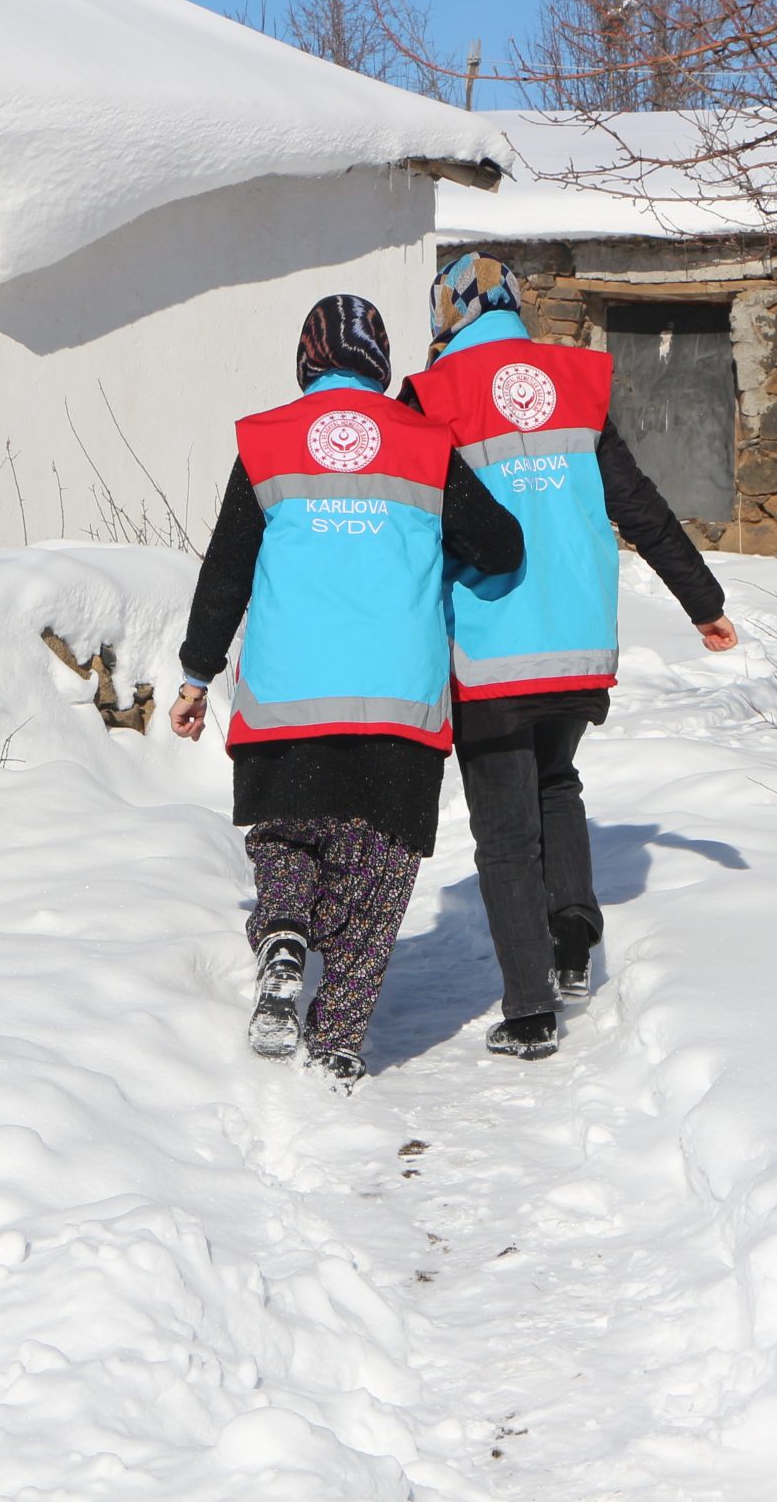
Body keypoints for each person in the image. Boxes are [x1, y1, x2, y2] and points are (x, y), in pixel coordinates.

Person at [170, 294, 522, 1089]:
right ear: (379, 359)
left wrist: (195, 676)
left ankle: (286, 933)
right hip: (398, 703)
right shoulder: (427, 444)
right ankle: (337, 1043)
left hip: (287, 702)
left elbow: (224, 573)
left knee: (289, 836)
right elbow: (500, 547)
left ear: (307, 359)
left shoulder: (265, 444)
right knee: (382, 861)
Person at [403, 254, 737, 1061]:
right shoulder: (575, 382)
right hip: (578, 644)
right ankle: (573, 935)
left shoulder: (431, 395)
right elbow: (638, 502)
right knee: (556, 779)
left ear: (451, 309)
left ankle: (528, 1010)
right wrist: (705, 601)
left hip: (490, 643)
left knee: (504, 830)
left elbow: (405, 518)